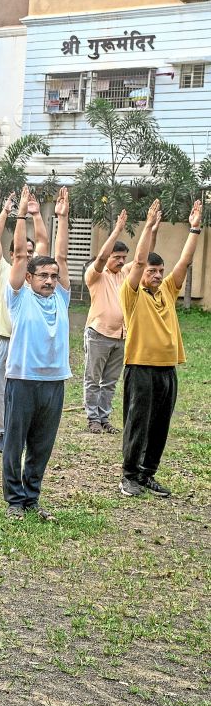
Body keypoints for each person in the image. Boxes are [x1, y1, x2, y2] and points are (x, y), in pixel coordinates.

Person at [118, 199, 202, 498]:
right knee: (138, 423)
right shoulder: (131, 294)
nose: (156, 275)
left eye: (159, 271)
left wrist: (194, 228)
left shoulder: (166, 289)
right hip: (140, 367)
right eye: (152, 271)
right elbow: (138, 261)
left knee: (160, 426)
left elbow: (185, 263)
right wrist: (149, 226)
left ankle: (147, 473)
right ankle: (128, 475)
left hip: (167, 369)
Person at [2, 185, 70, 521]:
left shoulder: (61, 297)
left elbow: (63, 255)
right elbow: (18, 254)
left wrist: (62, 217)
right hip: (22, 379)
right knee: (15, 444)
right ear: (29, 278)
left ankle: (32, 499)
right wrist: (21, 216)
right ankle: (15, 500)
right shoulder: (19, 296)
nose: (50, 280)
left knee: (41, 446)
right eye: (43, 275)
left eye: (53, 276)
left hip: (54, 381)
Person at [0, 189, 47, 452]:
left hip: (26, 342)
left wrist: (35, 214)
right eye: (24, 251)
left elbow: (45, 240)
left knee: (24, 390)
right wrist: (7, 210)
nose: (29, 255)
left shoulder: (37, 277)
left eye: (32, 252)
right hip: (3, 338)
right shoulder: (2, 270)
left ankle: (19, 431)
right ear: (13, 254)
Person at [83, 210, 129, 434]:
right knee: (93, 378)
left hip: (121, 336)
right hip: (98, 333)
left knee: (110, 381)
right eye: (116, 257)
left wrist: (152, 226)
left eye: (123, 258)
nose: (120, 261)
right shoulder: (96, 274)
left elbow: (142, 259)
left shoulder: (125, 275)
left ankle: (104, 417)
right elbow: (100, 258)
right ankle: (92, 418)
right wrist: (118, 229)